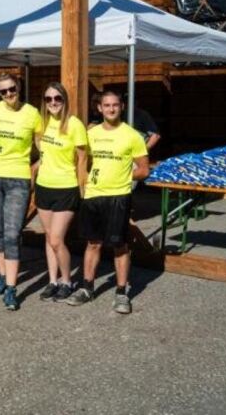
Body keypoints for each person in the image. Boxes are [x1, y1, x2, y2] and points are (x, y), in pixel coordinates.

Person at [66, 91, 149, 314]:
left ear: (121, 107)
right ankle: (87, 288)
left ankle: (121, 293)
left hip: (118, 196)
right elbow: (80, 160)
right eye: (107, 105)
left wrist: (123, 176)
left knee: (119, 245)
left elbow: (143, 170)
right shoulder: (90, 134)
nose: (111, 109)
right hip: (93, 195)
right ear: (100, 108)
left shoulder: (132, 135)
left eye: (115, 105)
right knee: (93, 243)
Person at [0, 73, 42, 311]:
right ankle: (1, 276)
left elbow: (41, 145)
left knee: (12, 233)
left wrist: (36, 167)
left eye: (12, 89)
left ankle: (11, 287)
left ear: (18, 87)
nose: (9, 94)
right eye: (3, 91)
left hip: (19, 179)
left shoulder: (32, 113)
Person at [35, 82, 88, 303]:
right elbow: (41, 150)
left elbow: (82, 160)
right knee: (49, 237)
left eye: (57, 98)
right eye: (48, 99)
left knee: (57, 239)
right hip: (44, 186)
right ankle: (53, 281)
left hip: (66, 187)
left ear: (65, 100)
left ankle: (67, 281)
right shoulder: (42, 122)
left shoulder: (74, 124)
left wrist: (82, 189)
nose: (53, 102)